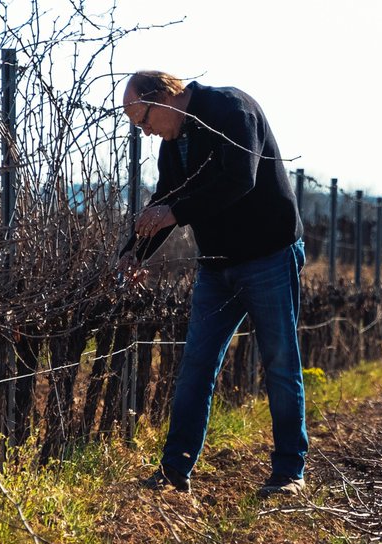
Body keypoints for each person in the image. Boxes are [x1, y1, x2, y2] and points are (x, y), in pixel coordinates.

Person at [117, 71, 308, 498]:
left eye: (143, 119)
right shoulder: (173, 145)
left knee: (279, 364)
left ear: (164, 97)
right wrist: (134, 253)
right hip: (217, 266)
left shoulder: (231, 109)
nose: (145, 131)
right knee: (196, 367)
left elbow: (240, 178)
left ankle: (289, 472)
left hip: (268, 256)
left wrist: (174, 213)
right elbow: (166, 201)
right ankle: (174, 471)